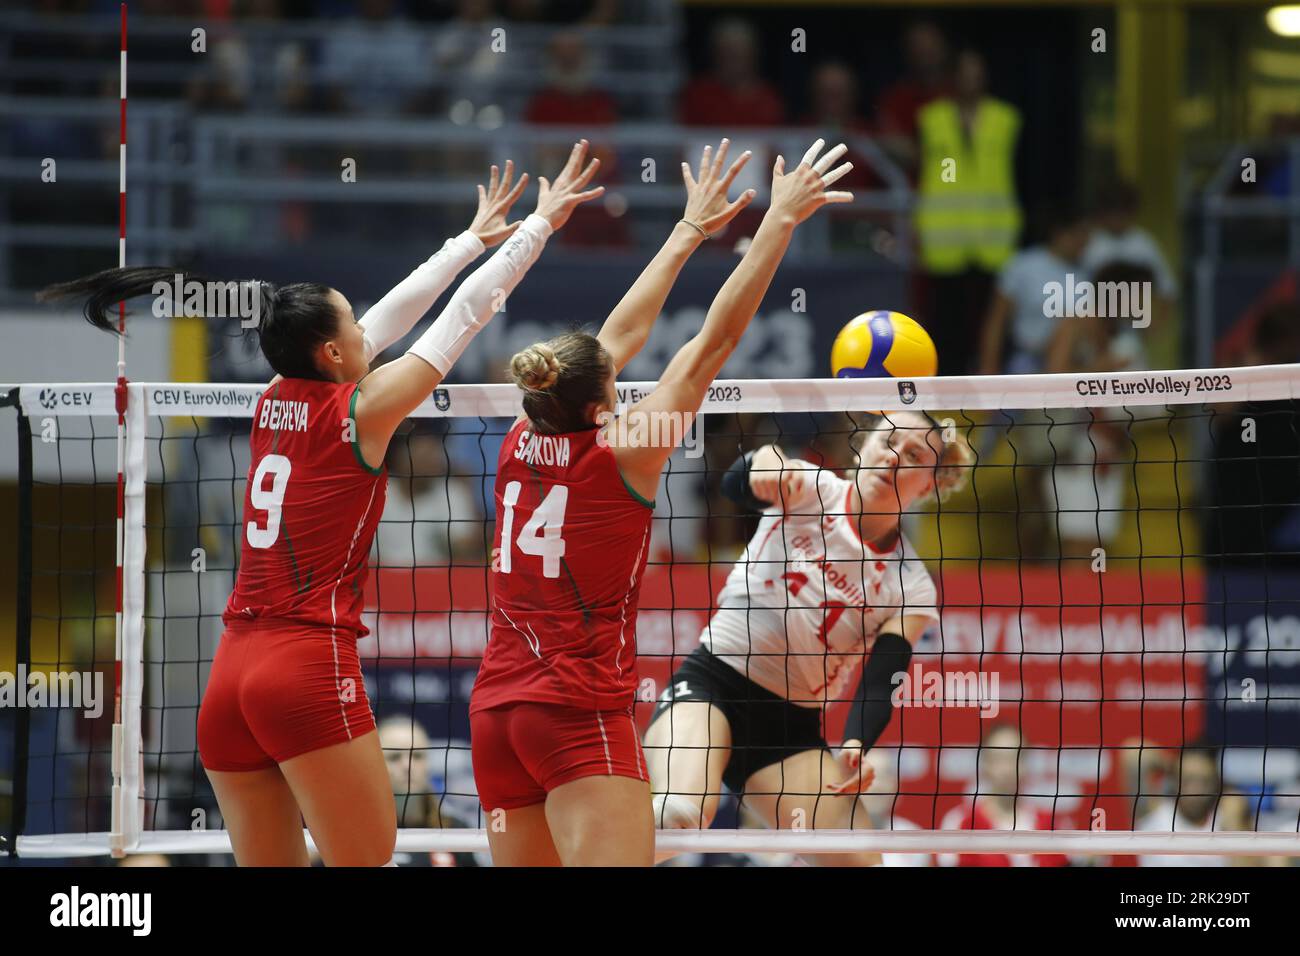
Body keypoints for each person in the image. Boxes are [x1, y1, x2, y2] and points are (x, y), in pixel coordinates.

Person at [40, 146, 602, 865]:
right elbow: (464, 316)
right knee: (366, 856)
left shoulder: (277, 396)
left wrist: (468, 239)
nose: (363, 328)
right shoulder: (362, 411)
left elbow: (392, 315)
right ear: (333, 353)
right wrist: (540, 227)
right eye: (350, 324)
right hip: (304, 669)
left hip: (232, 675)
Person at [470, 138, 854, 867]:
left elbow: (617, 339)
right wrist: (776, 223)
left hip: (496, 712)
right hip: (576, 713)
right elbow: (714, 342)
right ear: (599, 407)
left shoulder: (524, 431)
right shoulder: (623, 452)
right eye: (614, 390)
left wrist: (687, 233)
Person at [646, 412, 972, 867]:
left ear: (931, 484)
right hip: (712, 687)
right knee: (679, 816)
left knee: (862, 862)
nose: (895, 456)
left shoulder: (911, 585)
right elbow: (738, 481)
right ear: (864, 447)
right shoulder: (813, 488)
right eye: (889, 441)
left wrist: (857, 742)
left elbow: (883, 677)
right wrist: (762, 464)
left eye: (915, 455)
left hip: (788, 732)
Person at [915, 48, 1022, 374]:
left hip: (994, 239)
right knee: (947, 323)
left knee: (994, 321)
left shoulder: (1006, 119)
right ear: (953, 76)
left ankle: (993, 383)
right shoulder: (932, 118)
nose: (971, 79)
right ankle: (946, 382)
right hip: (944, 239)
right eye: (964, 72)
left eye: (977, 72)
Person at [936, 723, 1070, 867]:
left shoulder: (1053, 824)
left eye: (1016, 757)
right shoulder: (960, 823)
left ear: (1027, 763)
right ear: (985, 763)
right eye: (999, 758)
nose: (1008, 768)